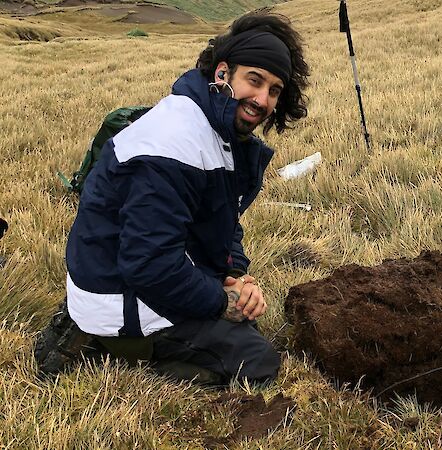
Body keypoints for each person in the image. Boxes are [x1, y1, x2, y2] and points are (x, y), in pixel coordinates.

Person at [34, 10, 310, 385]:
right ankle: (110, 344)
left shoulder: (211, 126)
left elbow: (218, 219)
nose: (262, 100)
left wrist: (232, 275)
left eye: (274, 90)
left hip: (120, 268)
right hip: (121, 292)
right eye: (255, 81)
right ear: (223, 73)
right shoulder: (175, 143)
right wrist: (219, 301)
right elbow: (149, 265)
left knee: (242, 323)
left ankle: (106, 328)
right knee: (257, 362)